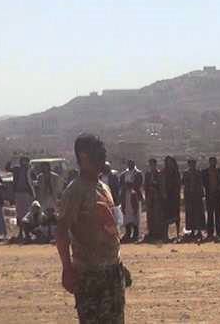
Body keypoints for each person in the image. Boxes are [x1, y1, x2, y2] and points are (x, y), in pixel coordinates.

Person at [57, 133, 126, 323]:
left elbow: (111, 227)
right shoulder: (75, 191)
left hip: (112, 272)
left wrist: (118, 263)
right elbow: (61, 231)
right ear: (84, 156)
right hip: (90, 275)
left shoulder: (103, 187)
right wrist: (67, 268)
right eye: (98, 151)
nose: (103, 155)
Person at [7, 156, 36, 242]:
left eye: (25, 161)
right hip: (18, 193)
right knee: (19, 213)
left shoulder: (30, 171)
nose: (24, 163)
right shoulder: (16, 169)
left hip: (27, 194)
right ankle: (20, 232)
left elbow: (34, 181)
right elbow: (7, 168)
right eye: (22, 161)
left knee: (27, 213)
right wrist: (11, 159)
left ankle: (27, 233)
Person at [119, 160, 143, 242]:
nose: (130, 165)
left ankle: (136, 233)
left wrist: (131, 186)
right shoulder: (123, 174)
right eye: (129, 164)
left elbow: (139, 184)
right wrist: (125, 186)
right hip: (126, 196)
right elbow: (121, 184)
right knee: (126, 214)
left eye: (131, 164)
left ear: (134, 164)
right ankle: (128, 232)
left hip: (134, 196)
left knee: (135, 214)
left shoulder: (138, 173)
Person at [182, 158, 205, 240]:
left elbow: (201, 183)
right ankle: (191, 230)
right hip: (189, 195)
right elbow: (183, 183)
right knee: (190, 213)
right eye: (191, 164)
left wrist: (202, 194)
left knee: (198, 213)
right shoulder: (185, 173)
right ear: (189, 164)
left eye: (193, 163)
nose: (192, 165)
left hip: (197, 195)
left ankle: (199, 230)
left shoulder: (198, 172)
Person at [202, 156, 220, 240]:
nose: (213, 163)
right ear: (209, 162)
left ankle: (219, 232)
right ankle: (210, 232)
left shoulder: (219, 171)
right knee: (210, 215)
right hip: (209, 195)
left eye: (214, 161)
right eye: (211, 161)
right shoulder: (205, 172)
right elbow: (204, 183)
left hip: (217, 196)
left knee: (218, 214)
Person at [161, 156, 182, 242]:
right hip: (167, 196)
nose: (169, 164)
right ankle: (165, 235)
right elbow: (162, 184)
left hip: (175, 196)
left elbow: (179, 183)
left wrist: (178, 192)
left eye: (171, 162)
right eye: (168, 162)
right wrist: (164, 193)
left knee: (176, 216)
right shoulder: (164, 172)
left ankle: (178, 234)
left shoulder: (176, 172)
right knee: (166, 216)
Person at [143, 158, 163, 242]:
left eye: (153, 164)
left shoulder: (159, 173)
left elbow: (161, 185)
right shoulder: (147, 174)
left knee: (157, 214)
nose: (151, 166)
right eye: (150, 164)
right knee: (150, 214)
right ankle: (151, 231)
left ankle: (157, 232)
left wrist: (156, 187)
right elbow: (145, 185)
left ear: (155, 164)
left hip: (157, 196)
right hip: (149, 196)